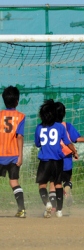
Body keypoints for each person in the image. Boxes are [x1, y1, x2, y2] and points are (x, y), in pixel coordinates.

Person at [47, 101, 84, 210]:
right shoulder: (67, 126)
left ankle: (53, 207)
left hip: (53, 159)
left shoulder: (48, 127)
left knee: (53, 183)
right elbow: (76, 139)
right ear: (64, 114)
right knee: (67, 180)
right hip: (66, 159)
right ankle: (67, 192)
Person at [35, 99, 78, 218]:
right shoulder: (60, 127)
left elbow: (38, 144)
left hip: (44, 161)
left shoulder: (39, 128)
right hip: (58, 161)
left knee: (42, 185)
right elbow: (68, 142)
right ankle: (59, 210)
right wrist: (74, 151)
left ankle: (48, 203)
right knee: (58, 184)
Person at [0, 86, 26, 218]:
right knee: (14, 181)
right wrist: (20, 156)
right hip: (14, 155)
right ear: (17, 101)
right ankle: (21, 209)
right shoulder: (21, 116)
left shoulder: (0, 115)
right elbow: (19, 136)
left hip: (0, 154)